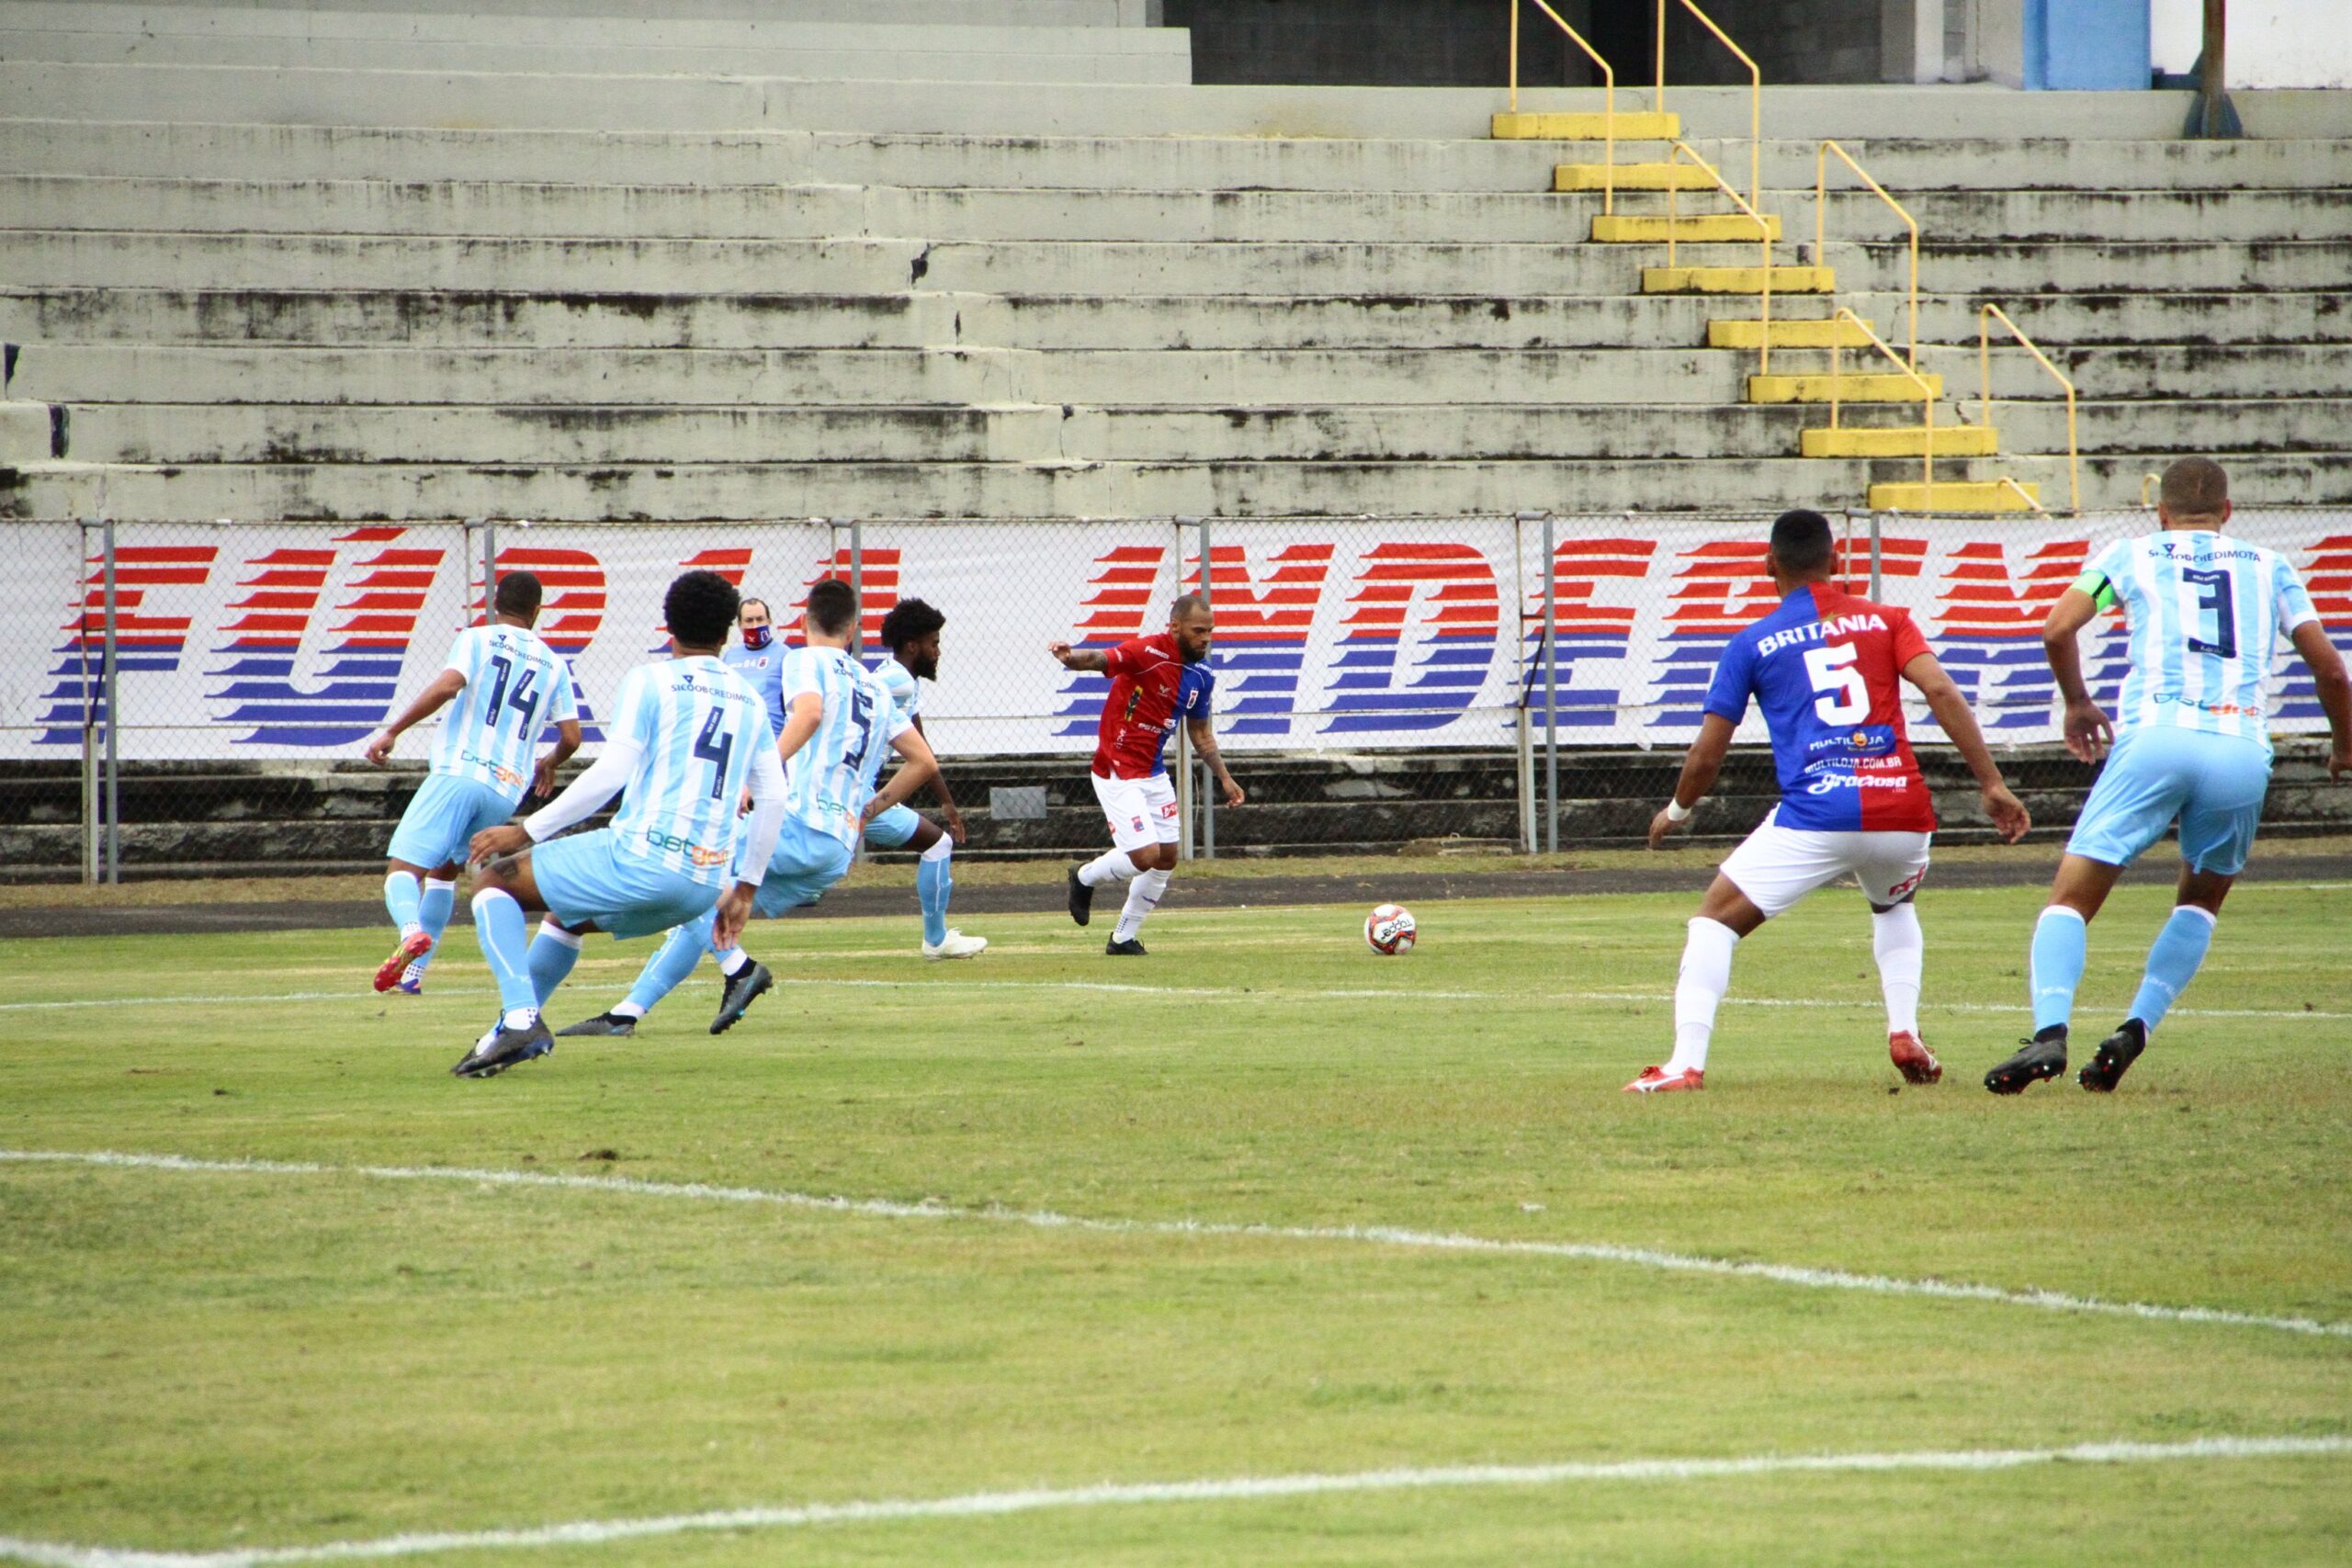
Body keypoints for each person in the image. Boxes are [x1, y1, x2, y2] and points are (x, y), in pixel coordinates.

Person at [1985, 457, 2350, 1094]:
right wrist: (2345, 746)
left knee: (2070, 898)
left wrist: (2076, 700)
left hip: (2156, 736)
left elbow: (2056, 627)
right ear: (2229, 513)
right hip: (2239, 747)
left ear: (2161, 513)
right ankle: (2136, 1028)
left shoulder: (2132, 554)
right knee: (2200, 900)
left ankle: (2050, 1031)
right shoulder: (2270, 567)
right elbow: (2332, 670)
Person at [1635, 509, 2031, 1093]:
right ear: (1837, 562)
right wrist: (1992, 784)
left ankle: (1684, 1065)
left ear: (1768, 564)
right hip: (1901, 810)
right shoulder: (1889, 620)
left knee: (1712, 924)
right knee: (1894, 907)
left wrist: (1677, 812)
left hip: (1816, 813)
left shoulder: (1751, 642)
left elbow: (1706, 755)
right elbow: (1941, 689)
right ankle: (1904, 1032)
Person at [557, 579, 943, 1038]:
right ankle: (626, 1014)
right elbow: (923, 762)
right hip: (835, 848)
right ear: (853, 628)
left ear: (804, 622)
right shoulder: (876, 689)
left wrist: (760, 772)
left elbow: (810, 714)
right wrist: (866, 812)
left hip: (796, 823)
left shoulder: (802, 658)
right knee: (707, 910)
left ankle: (738, 969)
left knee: (692, 880)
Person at [448, 569, 786, 1078]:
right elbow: (774, 795)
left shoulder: (650, 680)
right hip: (702, 887)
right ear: (727, 634)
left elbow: (611, 772)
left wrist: (526, 830)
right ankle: (503, 1035)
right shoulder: (749, 698)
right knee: (566, 915)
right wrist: (745, 890)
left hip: (643, 858)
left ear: (668, 628)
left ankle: (520, 1019)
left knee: (493, 881)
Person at [362, 570, 579, 995]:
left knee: (402, 871)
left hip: (461, 771)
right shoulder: (554, 663)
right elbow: (572, 737)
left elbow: (448, 686)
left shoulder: (477, 638)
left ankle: (409, 934)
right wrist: (549, 762)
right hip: (505, 789)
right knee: (445, 871)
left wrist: (394, 730)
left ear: (494, 604)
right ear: (538, 611)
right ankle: (414, 974)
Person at [1051, 592, 1244, 955]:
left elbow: (1200, 733)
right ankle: (1083, 877)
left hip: (1153, 774)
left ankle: (1123, 938)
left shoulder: (1202, 675)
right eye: (1199, 630)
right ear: (1174, 626)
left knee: (1167, 858)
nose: (1206, 638)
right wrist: (1070, 659)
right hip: (1117, 770)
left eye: (1210, 631)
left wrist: (1224, 777)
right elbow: (1100, 657)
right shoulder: (1147, 653)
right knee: (1144, 856)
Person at [866, 597, 986, 960]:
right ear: (912, 645)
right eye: (934, 643)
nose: (938, 651)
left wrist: (947, 802)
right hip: (849, 795)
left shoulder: (904, 681)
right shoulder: (894, 681)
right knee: (938, 846)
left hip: (859, 793)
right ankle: (935, 941)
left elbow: (922, 752)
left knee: (938, 844)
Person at [727, 595, 788, 741]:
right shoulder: (730, 657)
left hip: (772, 741)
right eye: (749, 620)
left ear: (769, 620)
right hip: (738, 739)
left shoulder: (785, 654)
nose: (755, 626)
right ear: (740, 624)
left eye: (760, 619)